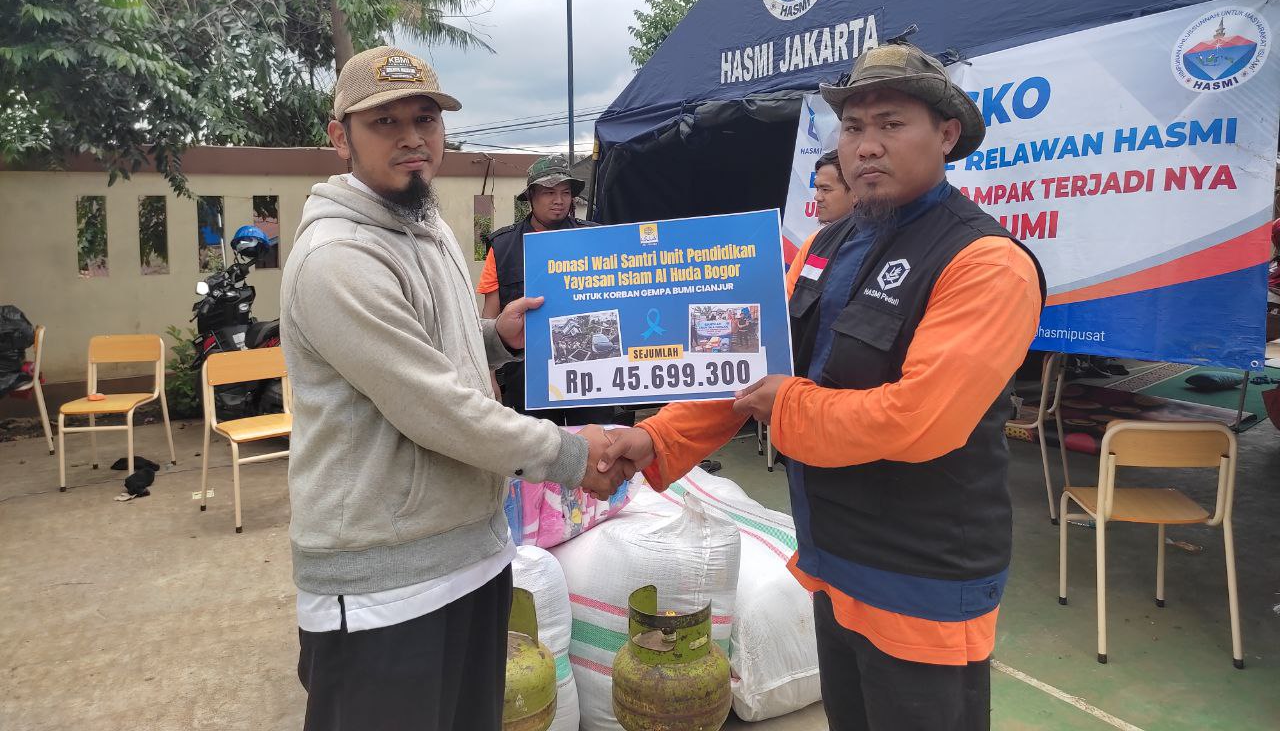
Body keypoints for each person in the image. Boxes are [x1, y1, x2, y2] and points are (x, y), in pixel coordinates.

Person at [600, 40, 1045, 731]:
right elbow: (744, 363)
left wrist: (788, 404)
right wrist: (656, 439)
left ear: (946, 134)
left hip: (922, 580)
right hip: (833, 561)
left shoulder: (985, 263)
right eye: (854, 126)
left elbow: (920, 420)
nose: (867, 145)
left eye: (891, 124)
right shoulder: (823, 246)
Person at [281, 46, 625, 731]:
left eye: (426, 118)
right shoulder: (337, 259)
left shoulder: (428, 225)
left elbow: (433, 349)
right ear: (341, 136)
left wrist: (497, 336)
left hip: (471, 555)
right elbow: (433, 407)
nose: (412, 137)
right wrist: (571, 454)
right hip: (383, 588)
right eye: (385, 122)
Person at [479, 155, 628, 425]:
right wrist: (488, 375)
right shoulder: (502, 247)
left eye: (565, 192)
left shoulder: (595, 239)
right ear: (531, 196)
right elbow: (489, 317)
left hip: (589, 370)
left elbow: (620, 300)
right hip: (528, 376)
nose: (559, 200)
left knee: (596, 443)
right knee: (539, 448)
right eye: (549, 192)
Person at [786, 149, 858, 295]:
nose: (817, 197)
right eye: (817, 188)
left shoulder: (878, 245)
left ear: (856, 193)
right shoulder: (814, 241)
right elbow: (788, 301)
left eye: (826, 189)